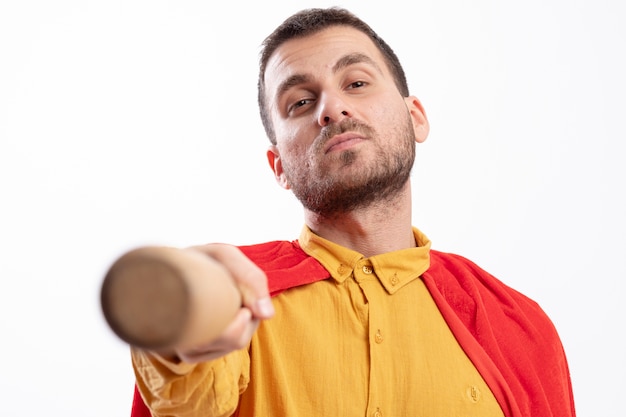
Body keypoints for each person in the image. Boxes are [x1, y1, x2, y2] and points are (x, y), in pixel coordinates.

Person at [128, 6, 576, 417]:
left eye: (357, 83)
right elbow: (188, 394)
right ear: (279, 166)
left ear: (415, 116)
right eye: (301, 103)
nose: (332, 108)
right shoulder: (236, 295)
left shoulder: (520, 327)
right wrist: (181, 305)